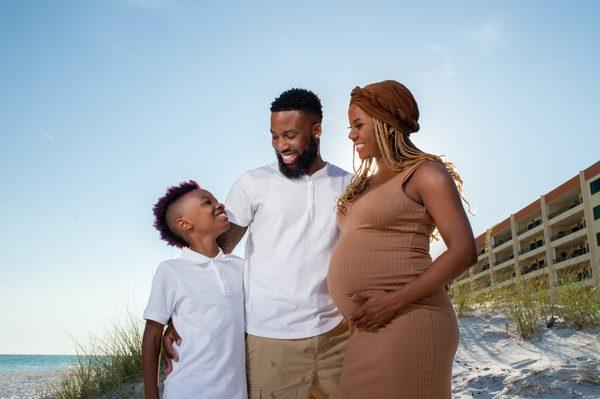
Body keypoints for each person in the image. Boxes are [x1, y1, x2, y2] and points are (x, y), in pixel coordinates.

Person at [163, 89, 353, 398]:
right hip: (270, 341)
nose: (281, 146)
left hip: (338, 336)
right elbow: (215, 249)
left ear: (317, 130)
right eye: (274, 136)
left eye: (289, 135)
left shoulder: (348, 185)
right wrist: (182, 315)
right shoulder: (253, 183)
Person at [327, 80, 477, 398]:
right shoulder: (360, 187)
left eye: (358, 124)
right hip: (367, 326)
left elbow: (464, 251)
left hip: (408, 317)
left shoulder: (425, 174)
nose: (351, 134)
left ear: (387, 124)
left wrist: (393, 300)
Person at [142, 181, 246, 399]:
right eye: (207, 202)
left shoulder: (241, 267)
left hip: (235, 393)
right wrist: (151, 395)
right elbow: (152, 333)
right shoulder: (171, 271)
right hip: (186, 390)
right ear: (184, 223)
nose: (219, 205)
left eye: (217, 200)